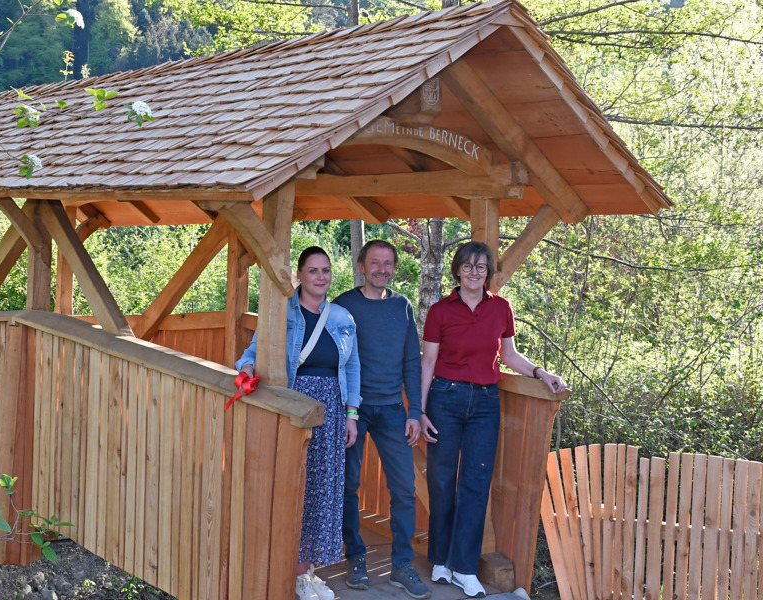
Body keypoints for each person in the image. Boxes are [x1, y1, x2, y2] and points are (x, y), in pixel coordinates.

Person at [419, 241, 567, 598]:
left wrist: (540, 373)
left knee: (475, 483)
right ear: (457, 270)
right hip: (445, 398)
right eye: (467, 266)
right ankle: (441, 558)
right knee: (441, 480)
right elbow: (427, 363)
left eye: (481, 267)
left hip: (485, 401)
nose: (474, 272)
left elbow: (510, 356)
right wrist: (420, 411)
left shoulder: (501, 308)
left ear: (488, 272)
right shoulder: (440, 310)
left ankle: (465, 568)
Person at [236, 246, 361, 600]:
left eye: (325, 271)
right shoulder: (281, 314)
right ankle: (287, 571)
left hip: (332, 411)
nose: (320, 277)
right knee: (295, 487)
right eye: (312, 271)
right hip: (293, 407)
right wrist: (245, 368)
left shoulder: (343, 318)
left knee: (324, 492)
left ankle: (308, 573)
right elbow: (253, 352)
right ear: (300, 276)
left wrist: (352, 413)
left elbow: (352, 368)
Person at [333, 239, 430, 599]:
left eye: (388, 264)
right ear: (361, 265)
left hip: (392, 410)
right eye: (375, 263)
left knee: (404, 489)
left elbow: (411, 363)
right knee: (348, 485)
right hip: (352, 409)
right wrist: (343, 411)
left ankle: (402, 565)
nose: (382, 269)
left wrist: (415, 413)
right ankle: (355, 555)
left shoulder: (402, 306)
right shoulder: (343, 306)